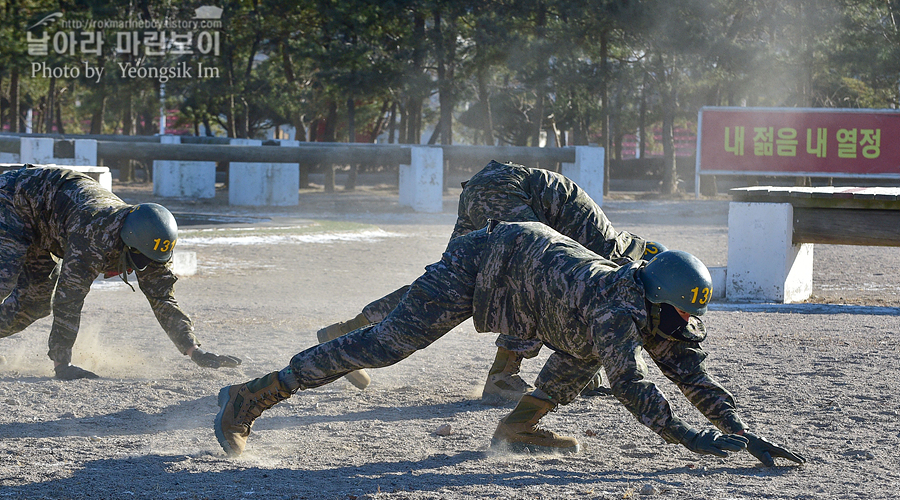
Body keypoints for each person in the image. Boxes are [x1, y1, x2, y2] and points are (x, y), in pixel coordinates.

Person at [215, 221, 805, 468]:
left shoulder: (654, 306)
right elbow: (633, 385)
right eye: (677, 313)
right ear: (656, 299)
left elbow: (689, 373)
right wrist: (692, 439)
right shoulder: (618, 308)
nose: (681, 325)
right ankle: (252, 397)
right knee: (389, 343)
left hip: (537, 290)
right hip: (484, 261)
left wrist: (738, 430)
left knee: (578, 358)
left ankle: (517, 429)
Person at [316, 159, 666, 403]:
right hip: (503, 191)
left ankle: (349, 330)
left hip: (489, 188)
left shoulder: (606, 245)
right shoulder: (609, 254)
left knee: (453, 284)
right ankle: (502, 376)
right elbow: (544, 292)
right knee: (517, 278)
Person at [0, 165, 241, 379]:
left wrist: (194, 351)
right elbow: (69, 297)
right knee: (4, 278)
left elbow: (162, 299)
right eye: (141, 260)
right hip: (13, 199)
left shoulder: (150, 243)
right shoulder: (94, 235)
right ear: (128, 242)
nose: (146, 267)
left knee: (35, 303)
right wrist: (63, 365)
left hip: (46, 224)